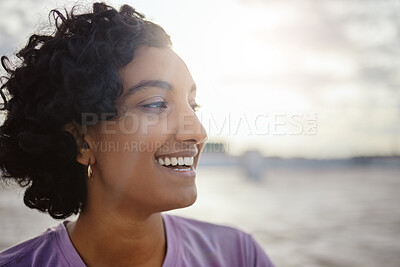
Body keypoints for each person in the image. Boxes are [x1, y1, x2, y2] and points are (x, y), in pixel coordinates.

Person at [0, 3, 275, 266]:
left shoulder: (239, 255)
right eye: (156, 104)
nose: (198, 133)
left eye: (193, 106)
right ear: (81, 141)